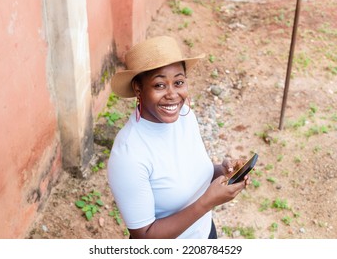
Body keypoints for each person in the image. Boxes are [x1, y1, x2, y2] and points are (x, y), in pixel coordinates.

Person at [107, 36, 249, 239]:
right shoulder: (129, 154)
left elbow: (192, 175)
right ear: (138, 88)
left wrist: (223, 171)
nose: (172, 94)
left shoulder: (185, 118)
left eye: (179, 82)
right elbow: (144, 237)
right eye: (159, 85)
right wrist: (207, 202)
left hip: (205, 235)